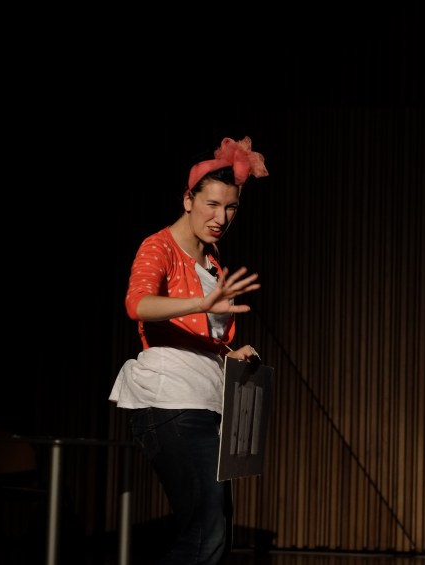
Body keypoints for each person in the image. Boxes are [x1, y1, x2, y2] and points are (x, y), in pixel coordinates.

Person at [109, 135, 268, 564]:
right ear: (187, 200)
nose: (221, 217)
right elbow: (138, 305)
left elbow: (199, 334)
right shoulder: (158, 246)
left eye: (231, 207)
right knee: (205, 534)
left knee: (216, 534)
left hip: (206, 401)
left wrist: (227, 353)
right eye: (211, 204)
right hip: (171, 401)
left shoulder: (213, 262)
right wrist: (200, 303)